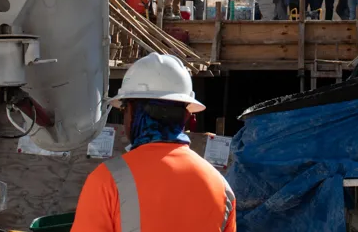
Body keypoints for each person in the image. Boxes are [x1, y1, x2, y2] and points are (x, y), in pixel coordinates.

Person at [71, 53, 236, 232]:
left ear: (133, 112)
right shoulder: (221, 187)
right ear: (187, 115)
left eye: (124, 109)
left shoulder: (107, 181)